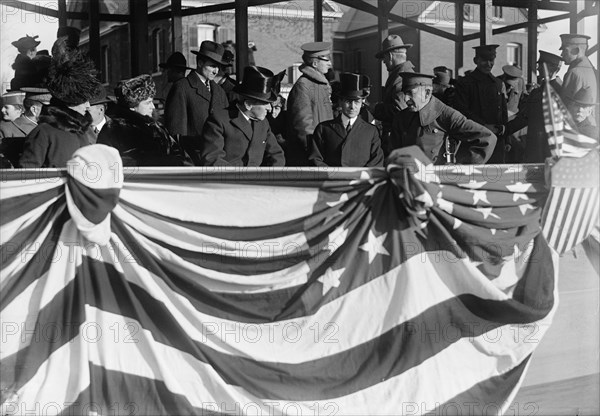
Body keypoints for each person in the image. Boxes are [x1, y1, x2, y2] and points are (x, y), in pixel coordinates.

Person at [389, 73, 496, 165]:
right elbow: (393, 151)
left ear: (427, 93)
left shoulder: (446, 115)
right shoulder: (401, 117)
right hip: (408, 176)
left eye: (410, 93)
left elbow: (487, 137)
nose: (406, 99)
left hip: (437, 179)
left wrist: (462, 167)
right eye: (405, 93)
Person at [19, 49, 101, 168]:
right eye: (83, 101)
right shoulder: (44, 132)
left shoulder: (82, 131)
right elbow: (26, 175)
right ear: (70, 102)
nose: (88, 106)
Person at [199, 66, 285, 167]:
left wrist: (269, 178)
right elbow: (212, 158)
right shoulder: (219, 120)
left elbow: (277, 155)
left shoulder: (263, 123)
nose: (270, 109)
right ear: (248, 104)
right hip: (229, 180)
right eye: (265, 103)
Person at [98, 74, 190, 167]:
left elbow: (177, 152)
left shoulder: (157, 127)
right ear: (133, 106)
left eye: (152, 102)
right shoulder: (114, 128)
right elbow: (106, 162)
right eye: (148, 103)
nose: (153, 107)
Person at [165, 40, 230, 165]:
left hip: (217, 159)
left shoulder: (220, 92)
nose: (216, 71)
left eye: (218, 67)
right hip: (192, 160)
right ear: (200, 63)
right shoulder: (182, 87)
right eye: (212, 66)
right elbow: (176, 132)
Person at [307, 73, 383, 167]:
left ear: (362, 103)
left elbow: (376, 161)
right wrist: (333, 176)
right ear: (340, 102)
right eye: (348, 101)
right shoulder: (323, 129)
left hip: (360, 180)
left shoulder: (371, 131)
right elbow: (315, 159)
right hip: (331, 180)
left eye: (356, 102)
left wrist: (359, 178)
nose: (352, 107)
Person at [505, 51, 564, 163]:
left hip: (552, 149)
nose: (537, 69)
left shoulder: (562, 91)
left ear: (550, 68)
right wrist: (504, 129)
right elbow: (524, 117)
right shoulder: (536, 92)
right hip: (534, 148)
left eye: (540, 65)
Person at [452, 44, 508, 163]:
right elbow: (461, 110)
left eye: (491, 60)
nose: (488, 64)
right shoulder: (465, 83)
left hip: (497, 141)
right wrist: (484, 126)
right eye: (484, 60)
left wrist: (507, 138)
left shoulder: (498, 83)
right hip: (475, 141)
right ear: (476, 60)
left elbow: (503, 113)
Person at [285, 41, 333, 166]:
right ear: (315, 63)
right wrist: (314, 154)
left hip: (322, 153)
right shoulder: (303, 86)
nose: (330, 64)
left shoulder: (319, 85)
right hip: (311, 156)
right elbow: (302, 126)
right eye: (327, 60)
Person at [373, 35, 415, 155]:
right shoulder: (402, 74)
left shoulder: (401, 77)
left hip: (397, 138)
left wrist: (375, 108)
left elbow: (399, 109)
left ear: (390, 56)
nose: (384, 62)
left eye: (384, 58)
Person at [0, 88, 50, 167]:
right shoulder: (5, 129)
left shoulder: (51, 128)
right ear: (34, 110)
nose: (51, 111)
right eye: (47, 108)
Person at [558, 34, 598, 119]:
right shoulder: (593, 71)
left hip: (576, 125)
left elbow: (563, 106)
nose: (562, 54)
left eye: (565, 51)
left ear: (576, 50)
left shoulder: (574, 72)